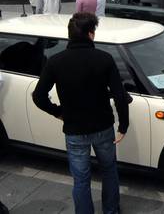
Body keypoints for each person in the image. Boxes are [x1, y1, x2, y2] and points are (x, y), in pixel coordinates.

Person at [32, 12, 130, 214]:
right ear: (91, 34)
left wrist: (58, 113)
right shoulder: (105, 58)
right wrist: (123, 126)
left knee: (81, 179)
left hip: (74, 129)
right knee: (109, 171)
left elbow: (38, 96)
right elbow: (120, 96)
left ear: (69, 35)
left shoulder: (56, 61)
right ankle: (111, 211)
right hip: (103, 126)